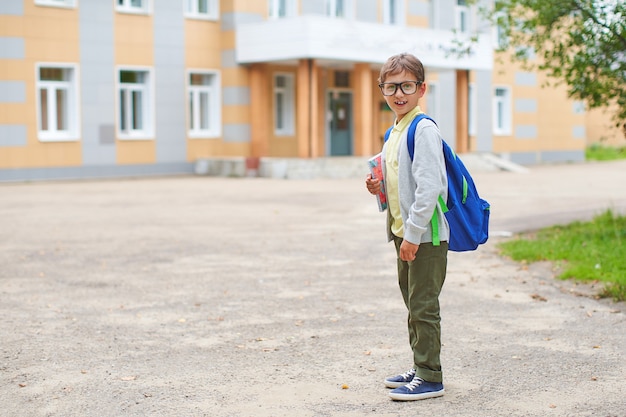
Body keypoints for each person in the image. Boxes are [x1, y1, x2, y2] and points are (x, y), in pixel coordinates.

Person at [365, 53, 449, 401]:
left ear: (421, 88)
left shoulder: (423, 129)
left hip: (424, 236)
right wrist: (378, 187)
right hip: (406, 232)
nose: (399, 93)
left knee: (424, 306)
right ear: (381, 89)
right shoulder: (396, 130)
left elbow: (430, 188)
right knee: (413, 304)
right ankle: (421, 366)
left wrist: (413, 235)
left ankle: (431, 377)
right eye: (391, 86)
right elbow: (402, 180)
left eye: (407, 86)